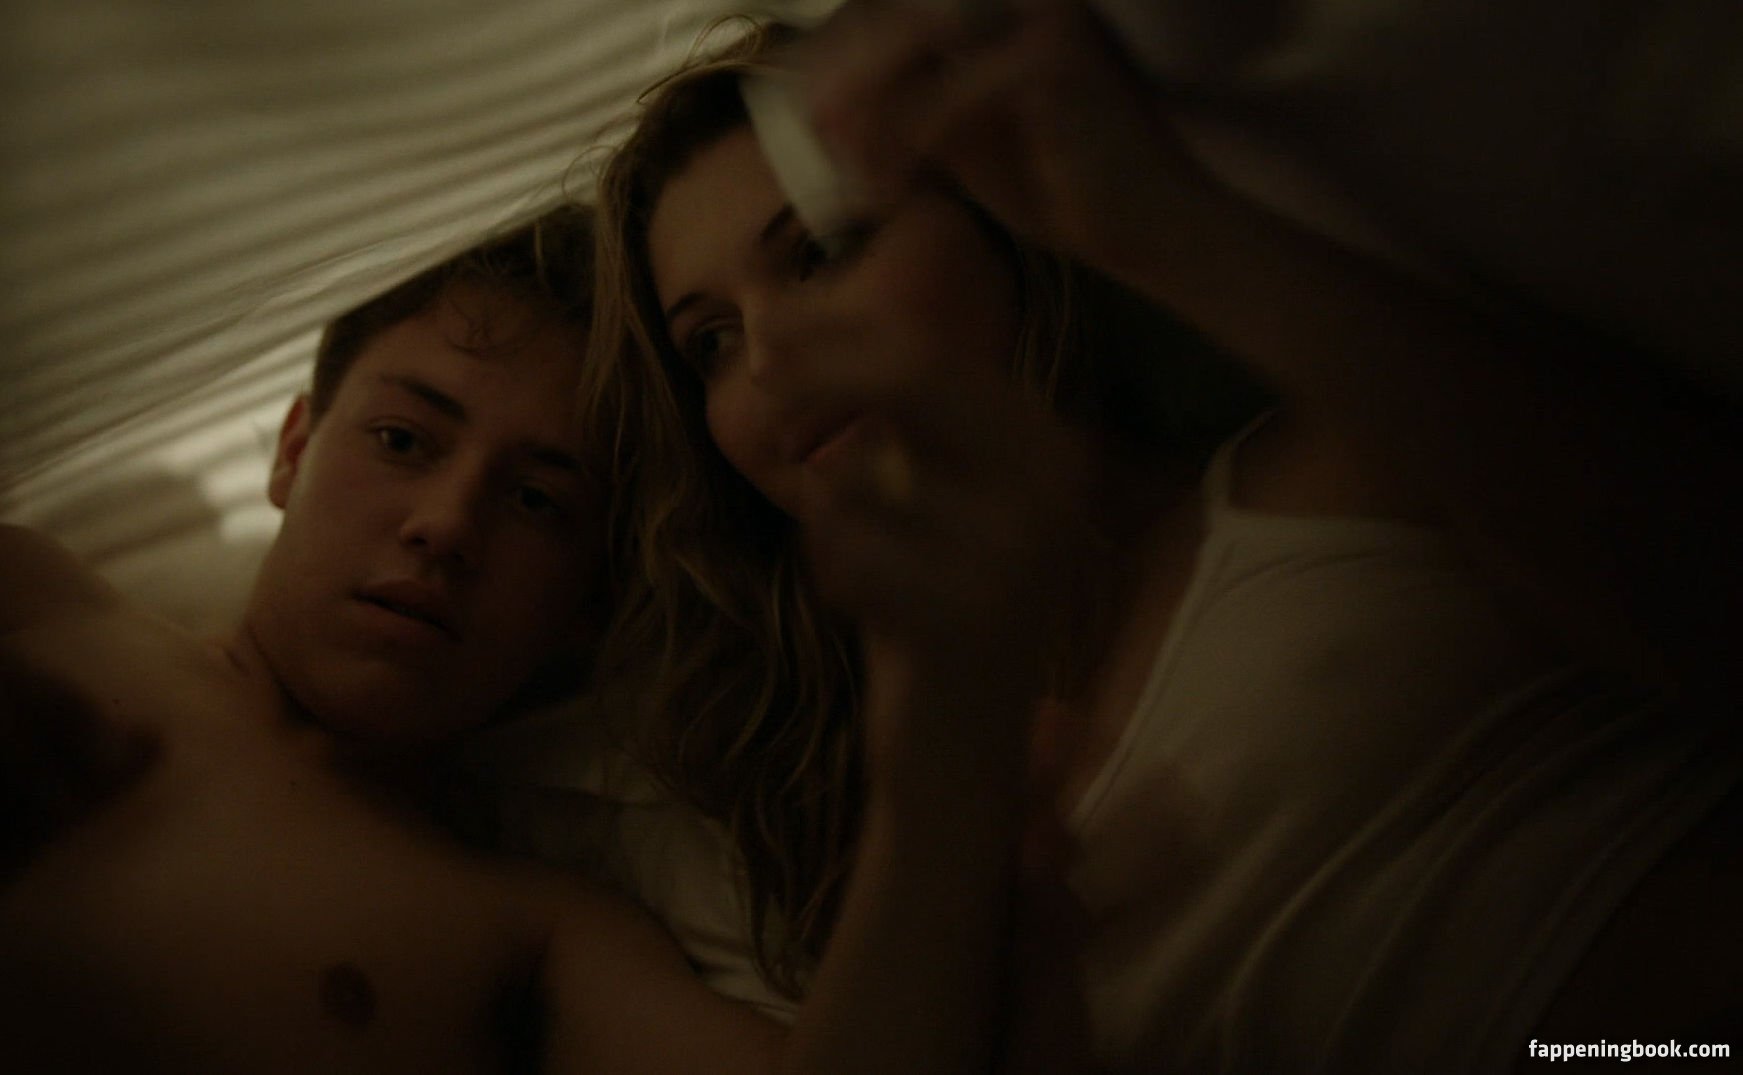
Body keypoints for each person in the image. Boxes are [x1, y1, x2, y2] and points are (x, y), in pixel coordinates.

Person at [582, 7, 1743, 1072]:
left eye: (822, 251)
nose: (772, 358)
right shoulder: (874, 837)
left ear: (999, 233)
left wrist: (1164, 219)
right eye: (710, 342)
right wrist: (936, 780)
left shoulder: (1334, 468)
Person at [0, 204, 1044, 1074]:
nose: (447, 525)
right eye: (402, 439)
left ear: (588, 605)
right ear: (293, 451)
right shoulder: (39, 599)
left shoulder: (518, 938)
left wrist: (939, 771)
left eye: (539, 501)